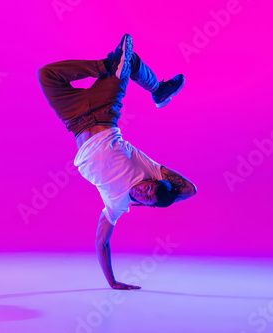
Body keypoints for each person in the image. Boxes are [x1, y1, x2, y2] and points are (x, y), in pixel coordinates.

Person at [37, 34, 197, 290]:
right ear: (153, 180)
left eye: (145, 196)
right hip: (104, 109)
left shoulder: (118, 204)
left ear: (145, 203)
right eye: (148, 187)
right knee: (127, 54)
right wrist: (160, 199)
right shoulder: (151, 169)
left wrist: (111, 281)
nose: (142, 190)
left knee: (46, 75)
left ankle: (113, 67)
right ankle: (153, 87)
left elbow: (102, 241)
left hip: (75, 120)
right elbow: (190, 190)